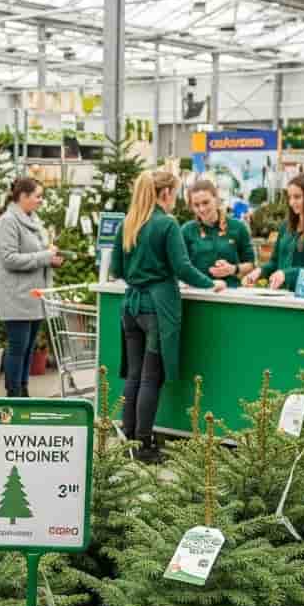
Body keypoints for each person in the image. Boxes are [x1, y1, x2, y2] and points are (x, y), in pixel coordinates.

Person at [111, 171, 226, 464]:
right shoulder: (167, 224)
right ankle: (145, 446)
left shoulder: (128, 222)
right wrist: (210, 283)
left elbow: (117, 269)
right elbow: (182, 267)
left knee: (134, 376)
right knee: (151, 378)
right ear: (164, 193)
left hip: (131, 307)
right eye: (174, 193)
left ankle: (129, 439)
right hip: (157, 309)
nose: (175, 199)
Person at [0, 177, 62, 398]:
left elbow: (39, 254)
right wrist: (45, 256)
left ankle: (23, 391)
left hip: (34, 296)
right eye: (38, 196)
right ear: (23, 196)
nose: (41, 200)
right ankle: (13, 394)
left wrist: (52, 259)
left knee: (28, 348)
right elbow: (9, 259)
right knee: (18, 347)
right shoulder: (8, 222)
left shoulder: (34, 221)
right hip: (17, 296)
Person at [244, 173, 304, 291]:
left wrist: (287, 275)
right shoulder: (286, 226)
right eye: (290, 197)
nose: (291, 202)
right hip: (282, 295)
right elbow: (275, 262)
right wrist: (259, 272)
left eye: (297, 197)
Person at [182, 179, 255, 288]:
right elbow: (180, 266)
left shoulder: (238, 227)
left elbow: (251, 265)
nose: (202, 209)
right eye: (196, 205)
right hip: (198, 292)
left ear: (216, 199)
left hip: (230, 292)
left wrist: (233, 269)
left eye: (206, 202)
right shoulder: (187, 230)